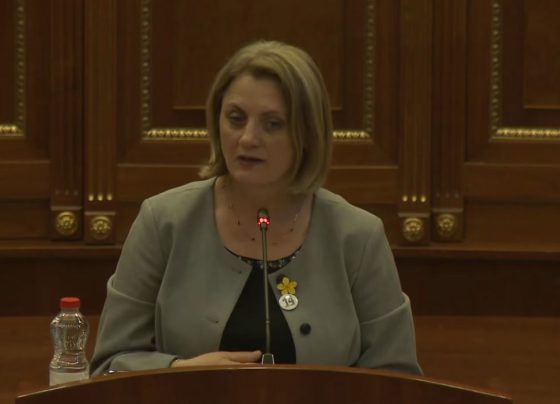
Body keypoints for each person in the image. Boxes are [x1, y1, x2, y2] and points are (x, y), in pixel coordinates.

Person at [90, 40, 421, 375]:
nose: (248, 138)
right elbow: (109, 364)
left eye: (272, 124)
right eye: (235, 119)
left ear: (308, 133)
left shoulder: (358, 237)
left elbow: (398, 379)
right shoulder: (163, 222)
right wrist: (181, 372)